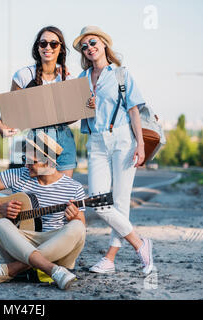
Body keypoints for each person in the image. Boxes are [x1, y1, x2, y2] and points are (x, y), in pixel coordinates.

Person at [73, 26, 154, 274]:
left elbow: (133, 110)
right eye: (84, 46)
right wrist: (84, 106)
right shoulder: (80, 79)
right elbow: (76, 115)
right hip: (96, 141)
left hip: (123, 139)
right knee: (98, 201)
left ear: (104, 44)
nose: (89, 48)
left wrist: (140, 144)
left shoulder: (121, 74)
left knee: (120, 202)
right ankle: (140, 244)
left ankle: (109, 258)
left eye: (93, 42)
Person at [0, 133, 86, 290]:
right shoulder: (18, 175)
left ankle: (12, 270)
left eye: (32, 162)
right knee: (1, 224)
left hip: (57, 248)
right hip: (23, 244)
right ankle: (53, 271)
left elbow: (81, 229)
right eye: (24, 159)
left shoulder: (74, 188)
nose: (26, 165)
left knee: (77, 226)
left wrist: (75, 217)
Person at [0, 26, 77, 178]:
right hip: (36, 139)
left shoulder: (69, 79)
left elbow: (73, 116)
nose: (48, 47)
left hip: (64, 138)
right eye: (43, 43)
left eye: (53, 44)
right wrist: (1, 127)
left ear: (60, 48)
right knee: (39, 194)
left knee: (64, 194)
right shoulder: (24, 75)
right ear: (37, 47)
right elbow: (7, 116)